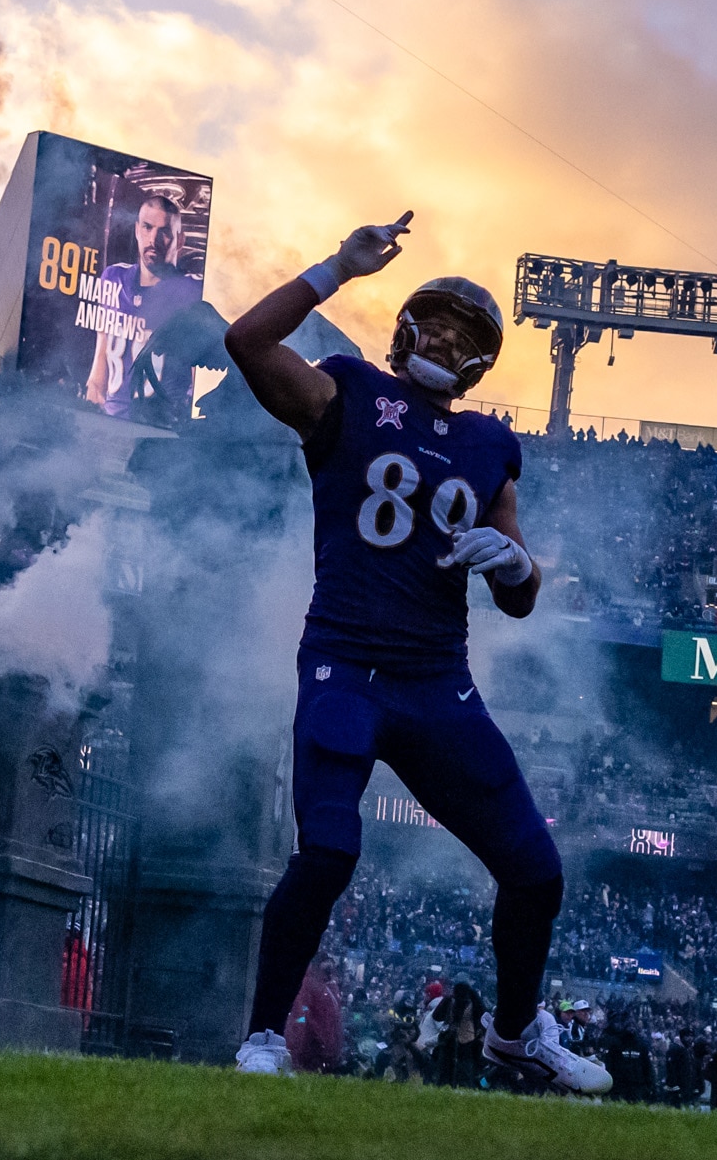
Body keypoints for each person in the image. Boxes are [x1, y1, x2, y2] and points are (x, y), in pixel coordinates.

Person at [223, 214, 605, 1094]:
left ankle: (514, 1033)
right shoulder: (346, 390)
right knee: (326, 853)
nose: (445, 338)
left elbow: (517, 594)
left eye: (465, 335)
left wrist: (518, 561)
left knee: (536, 871)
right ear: (403, 331)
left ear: (481, 361)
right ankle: (261, 1036)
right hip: (346, 663)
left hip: (436, 680)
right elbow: (246, 338)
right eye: (434, 322)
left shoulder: (487, 445)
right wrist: (334, 270)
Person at [82, 188, 205, 420]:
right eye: (147, 228)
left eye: (164, 232)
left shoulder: (192, 292)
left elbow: (199, 371)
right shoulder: (113, 277)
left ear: (180, 240)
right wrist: (94, 392)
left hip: (159, 428)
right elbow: (102, 353)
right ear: (137, 230)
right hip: (113, 418)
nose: (153, 240)